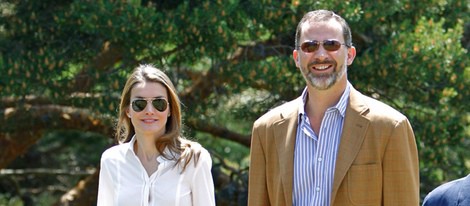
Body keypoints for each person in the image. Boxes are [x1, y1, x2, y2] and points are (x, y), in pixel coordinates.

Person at [248, 9, 419, 206]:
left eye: (331, 45)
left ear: (350, 55)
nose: (321, 55)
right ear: (296, 57)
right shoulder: (266, 131)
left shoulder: (390, 128)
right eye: (309, 46)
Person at [97, 64, 215, 206]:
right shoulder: (111, 161)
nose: (149, 111)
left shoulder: (194, 158)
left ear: (170, 110)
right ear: (128, 110)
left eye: (159, 103)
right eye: (139, 103)